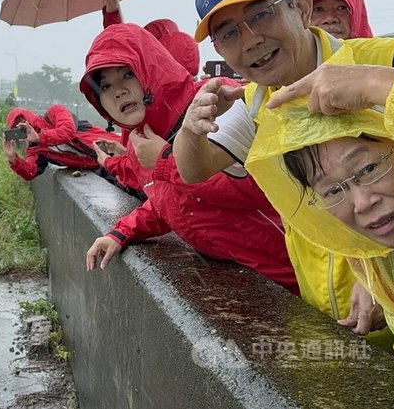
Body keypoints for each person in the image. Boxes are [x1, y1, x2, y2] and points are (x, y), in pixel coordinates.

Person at [172, 0, 394, 335]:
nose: (250, 39)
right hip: (329, 311)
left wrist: (373, 85)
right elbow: (194, 169)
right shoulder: (257, 103)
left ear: (301, 8)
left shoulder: (391, 61)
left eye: (261, 14)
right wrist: (191, 128)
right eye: (229, 34)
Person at [79, 23, 298, 294]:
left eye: (128, 74)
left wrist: (164, 160)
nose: (119, 91)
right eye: (106, 86)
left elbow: (257, 188)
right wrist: (121, 232)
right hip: (245, 282)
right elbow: (167, 204)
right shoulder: (144, 138)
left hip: (293, 274)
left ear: (150, 70)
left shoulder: (212, 101)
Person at [245, 52, 394, 366]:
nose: (363, 203)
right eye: (334, 190)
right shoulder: (376, 261)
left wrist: (375, 83)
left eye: (367, 169)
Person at [101, 0, 200, 77]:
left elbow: (121, 49)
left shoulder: (149, 85)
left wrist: (112, 10)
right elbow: (123, 49)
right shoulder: (204, 89)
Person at [3, 104, 120, 181]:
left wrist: (39, 137)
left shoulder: (54, 112)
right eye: (17, 126)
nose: (23, 125)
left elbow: (68, 132)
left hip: (118, 148)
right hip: (105, 167)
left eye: (22, 120)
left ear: (28, 115)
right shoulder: (36, 151)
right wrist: (13, 159)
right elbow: (30, 172)